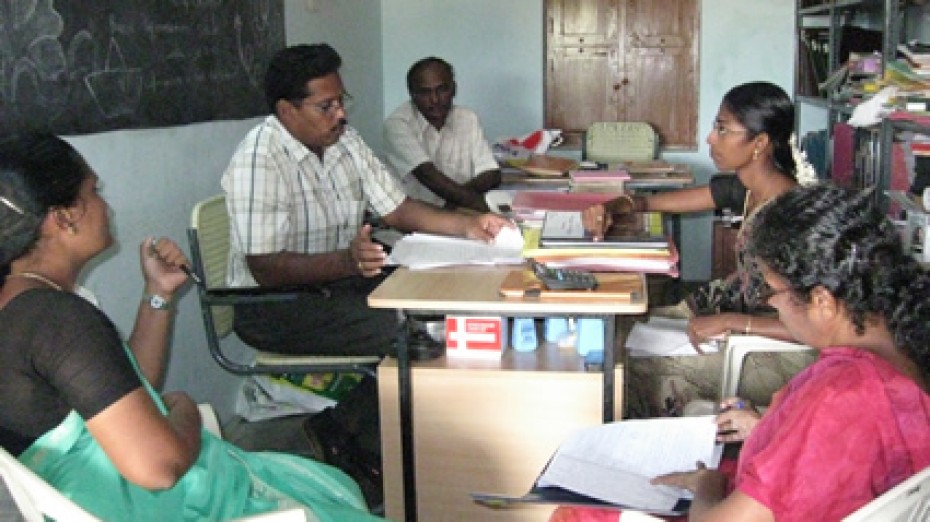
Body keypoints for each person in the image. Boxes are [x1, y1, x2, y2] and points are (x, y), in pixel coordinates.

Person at [0, 133, 382, 521]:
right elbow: (159, 468)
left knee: (322, 484)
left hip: (98, 494)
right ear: (64, 218)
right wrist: (186, 416)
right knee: (325, 495)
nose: (106, 206)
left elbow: (120, 382)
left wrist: (158, 293)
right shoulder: (58, 319)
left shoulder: (26, 303)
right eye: (94, 192)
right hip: (142, 504)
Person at [221, 43, 512, 509]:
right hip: (272, 304)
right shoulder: (259, 157)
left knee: (437, 307)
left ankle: (344, 431)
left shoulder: (343, 141)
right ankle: (356, 442)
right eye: (326, 106)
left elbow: (397, 207)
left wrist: (468, 225)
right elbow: (265, 265)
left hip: (336, 285)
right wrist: (347, 261)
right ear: (285, 110)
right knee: (406, 330)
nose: (340, 114)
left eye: (341, 101)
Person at [555, 184, 930, 522]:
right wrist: (768, 427)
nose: (772, 305)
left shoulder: (844, 395)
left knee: (582, 512)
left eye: (773, 294)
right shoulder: (903, 347)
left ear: (822, 301)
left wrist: (705, 483)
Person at [583, 82, 818, 417]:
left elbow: (815, 323)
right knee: (619, 332)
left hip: (776, 351)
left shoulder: (791, 216)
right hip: (735, 321)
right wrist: (615, 206)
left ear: (760, 143)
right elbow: (652, 202)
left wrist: (734, 322)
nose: (710, 138)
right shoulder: (746, 187)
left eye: (722, 129)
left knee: (629, 374)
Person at [383, 56, 501, 212]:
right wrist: (481, 205)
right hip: (409, 219)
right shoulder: (397, 124)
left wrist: (454, 204)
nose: (435, 99)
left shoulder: (468, 118)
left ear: (454, 89)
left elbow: (491, 174)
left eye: (442, 90)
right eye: (425, 93)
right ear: (412, 94)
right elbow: (428, 177)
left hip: (459, 214)